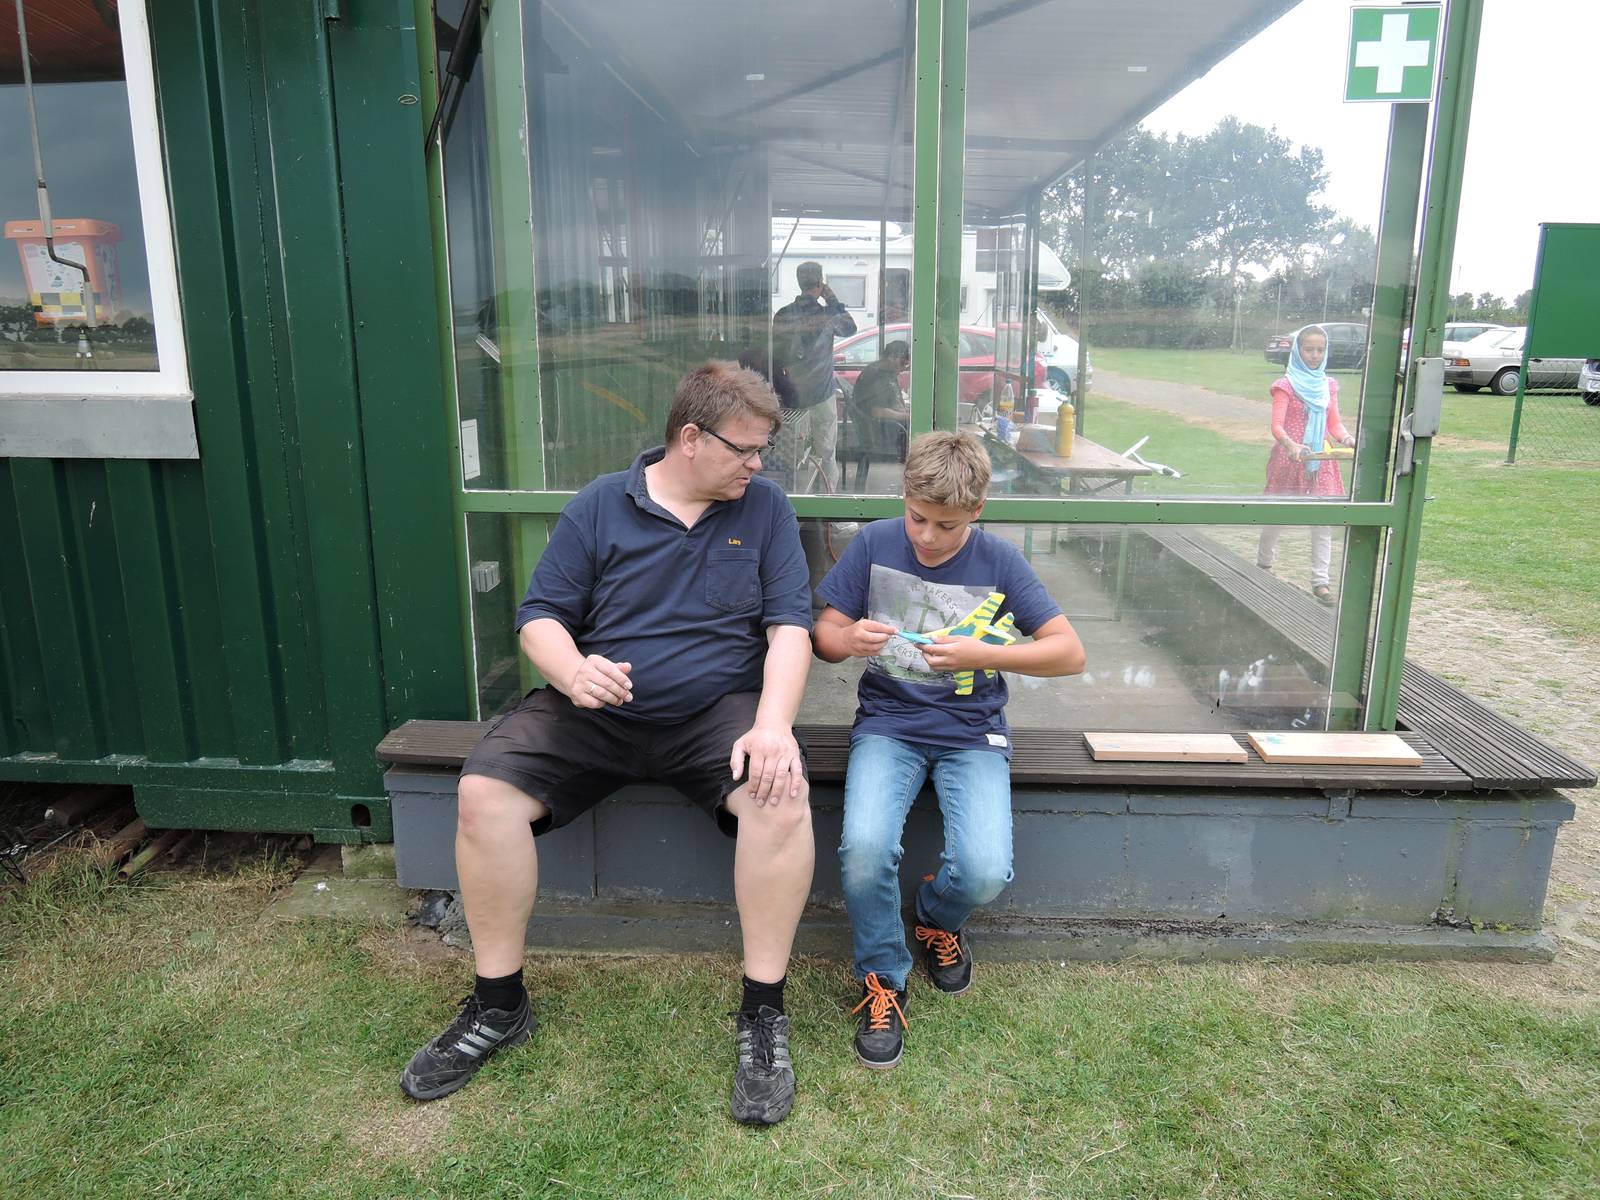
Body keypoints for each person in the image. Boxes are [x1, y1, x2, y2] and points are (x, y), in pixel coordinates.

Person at [400, 362, 816, 1127]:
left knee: (780, 796)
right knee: (484, 792)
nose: (758, 465)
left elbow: (791, 627)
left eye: (765, 450)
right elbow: (540, 618)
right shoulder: (600, 504)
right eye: (746, 449)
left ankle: (763, 1016)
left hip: (715, 713)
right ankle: (499, 1005)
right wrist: (572, 671)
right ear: (690, 438)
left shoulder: (765, 511)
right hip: (596, 708)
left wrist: (773, 725)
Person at [811, 431, 1086, 1069]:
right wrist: (848, 640)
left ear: (977, 511)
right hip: (888, 725)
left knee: (985, 871)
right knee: (865, 850)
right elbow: (823, 633)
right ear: (903, 496)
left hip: (971, 734)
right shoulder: (876, 543)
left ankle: (936, 915)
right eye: (917, 517)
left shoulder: (1000, 562)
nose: (927, 537)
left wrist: (986, 653)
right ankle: (882, 975)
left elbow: (1070, 653)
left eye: (947, 525)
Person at [1256, 325, 1356, 606]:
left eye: (1320, 350)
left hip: (1321, 461)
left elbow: (1334, 423)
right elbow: (1277, 426)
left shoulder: (1328, 385)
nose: (1314, 355)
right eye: (1309, 349)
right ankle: (1263, 565)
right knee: (1277, 516)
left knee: (1321, 522)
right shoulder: (1284, 386)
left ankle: (1320, 582)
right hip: (1290, 459)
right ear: (1298, 351)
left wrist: (1348, 439)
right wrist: (1291, 446)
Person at [772, 261, 857, 494]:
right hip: (821, 395)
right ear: (820, 282)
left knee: (792, 454)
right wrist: (832, 299)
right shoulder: (827, 314)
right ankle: (828, 507)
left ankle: (796, 501)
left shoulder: (782, 315)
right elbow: (850, 328)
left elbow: (776, 357)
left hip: (792, 397)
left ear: (799, 282)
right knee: (825, 455)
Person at [844, 339, 911, 491]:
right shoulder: (875, 377)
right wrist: (907, 417)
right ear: (892, 357)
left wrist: (905, 409)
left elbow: (893, 400)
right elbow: (877, 412)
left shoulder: (886, 372)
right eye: (903, 364)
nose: (903, 369)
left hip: (886, 426)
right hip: (879, 433)